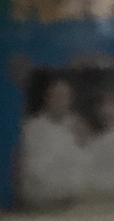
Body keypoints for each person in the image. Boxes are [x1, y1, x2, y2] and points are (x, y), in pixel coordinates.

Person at [18, 78, 89, 206]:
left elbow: (86, 163)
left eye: (65, 97)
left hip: (76, 203)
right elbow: (30, 169)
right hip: (42, 202)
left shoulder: (77, 126)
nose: (61, 101)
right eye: (57, 96)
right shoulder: (32, 128)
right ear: (47, 98)